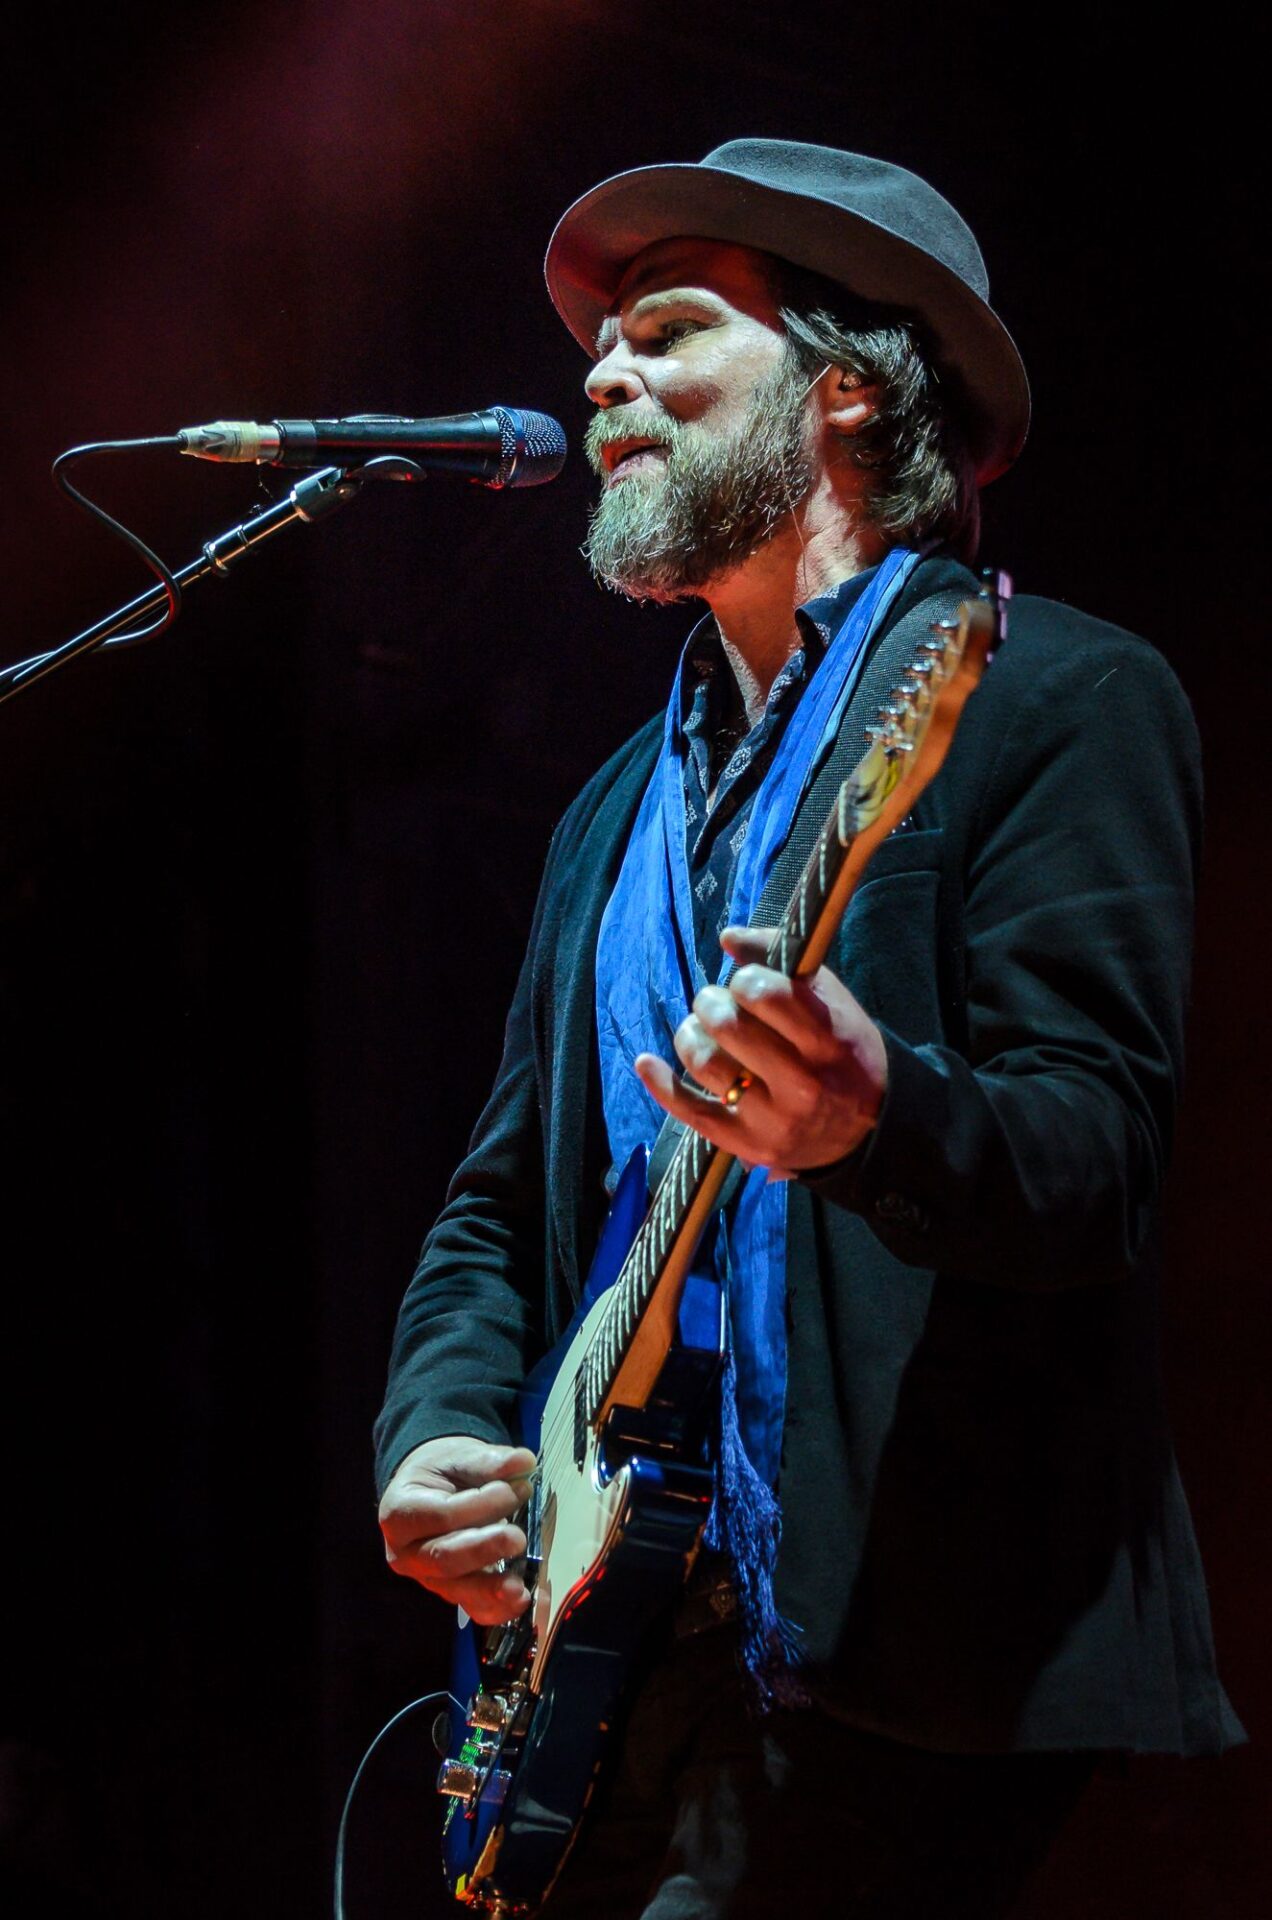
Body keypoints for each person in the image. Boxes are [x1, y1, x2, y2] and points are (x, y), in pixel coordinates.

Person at [374, 141, 1242, 1917]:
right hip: (614, 1645)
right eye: (599, 350)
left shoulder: (1056, 696)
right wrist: (437, 1432)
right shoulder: (607, 818)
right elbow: (497, 1211)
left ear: (848, 385)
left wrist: (877, 1120)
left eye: (669, 331)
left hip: (909, 1649)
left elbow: (1103, 1159)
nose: (601, 378)